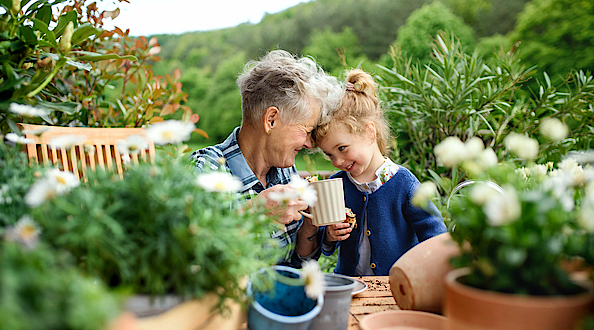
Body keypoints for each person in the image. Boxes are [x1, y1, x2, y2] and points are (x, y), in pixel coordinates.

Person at [191, 50, 342, 267]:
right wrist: (254, 214)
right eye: (306, 130)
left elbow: (297, 263)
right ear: (271, 120)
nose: (309, 144)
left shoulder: (283, 171)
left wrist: (310, 225)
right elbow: (187, 253)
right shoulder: (206, 170)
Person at [311, 69, 447, 276]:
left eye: (342, 148)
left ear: (369, 132)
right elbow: (325, 242)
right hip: (349, 285)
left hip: (395, 287)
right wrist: (329, 235)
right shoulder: (337, 184)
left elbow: (434, 234)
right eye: (329, 155)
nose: (337, 161)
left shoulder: (404, 184)